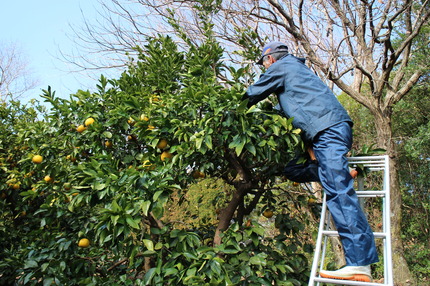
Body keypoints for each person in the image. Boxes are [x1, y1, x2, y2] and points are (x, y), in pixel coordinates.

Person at [242, 41, 379, 282]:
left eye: (264, 63)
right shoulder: (295, 73)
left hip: (328, 131)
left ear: (270, 59)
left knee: (339, 193)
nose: (264, 67)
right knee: (292, 170)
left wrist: (225, 112)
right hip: (322, 133)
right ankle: (342, 172)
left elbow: (251, 94)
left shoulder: (282, 66)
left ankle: (360, 263)